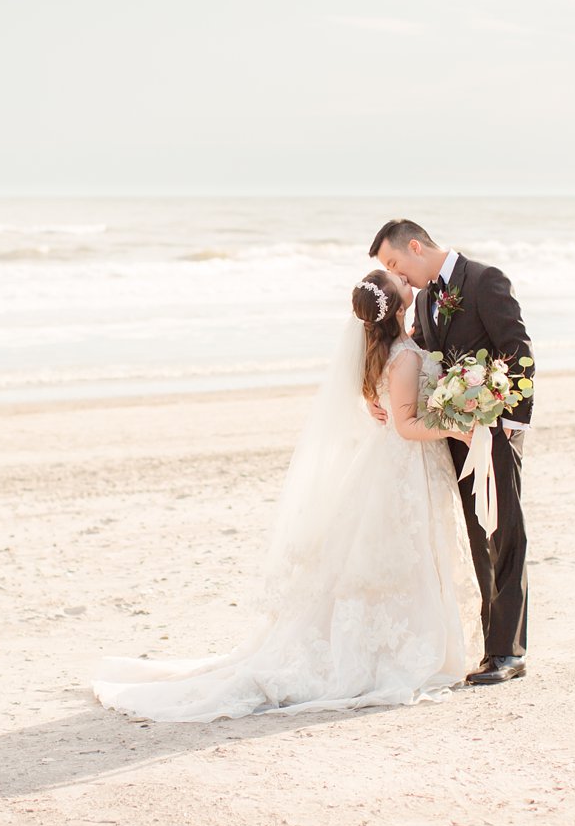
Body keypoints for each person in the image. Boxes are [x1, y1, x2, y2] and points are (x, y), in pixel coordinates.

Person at [92, 269, 478, 722]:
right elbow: (409, 425)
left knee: (387, 559)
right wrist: (460, 428)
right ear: (395, 308)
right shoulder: (404, 357)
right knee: (401, 557)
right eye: (403, 287)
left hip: (388, 464)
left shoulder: (379, 351)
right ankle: (400, 650)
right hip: (402, 468)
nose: (410, 285)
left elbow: (384, 405)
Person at [369, 218, 534, 685]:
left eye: (396, 263)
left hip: (494, 433)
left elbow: (518, 354)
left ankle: (509, 652)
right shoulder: (423, 299)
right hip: (452, 436)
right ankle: (491, 647)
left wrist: (505, 426)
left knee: (506, 533)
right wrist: (377, 393)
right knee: (477, 535)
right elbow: (418, 360)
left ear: (416, 246)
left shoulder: (485, 281)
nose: (398, 276)